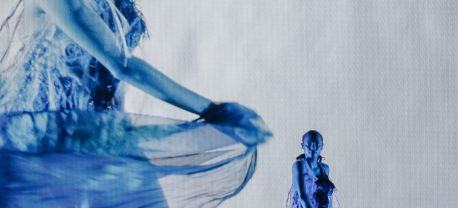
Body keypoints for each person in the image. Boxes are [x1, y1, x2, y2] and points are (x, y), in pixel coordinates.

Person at [0, 0, 271, 207]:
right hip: (52, 148)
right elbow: (123, 66)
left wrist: (126, 138)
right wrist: (213, 110)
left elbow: (109, 85)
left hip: (105, 138)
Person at [290, 130, 335, 208]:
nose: (313, 147)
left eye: (317, 144)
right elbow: (302, 196)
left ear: (322, 146)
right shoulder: (298, 166)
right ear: (302, 146)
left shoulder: (325, 168)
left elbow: (328, 198)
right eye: (309, 144)